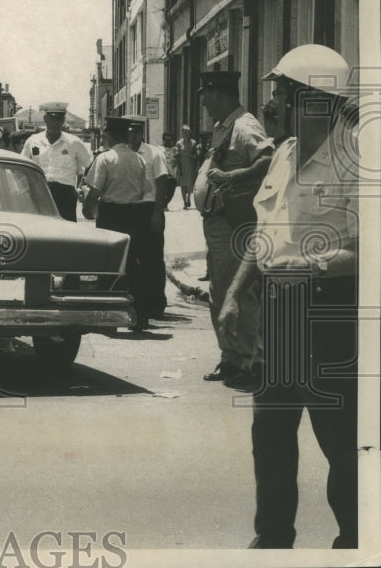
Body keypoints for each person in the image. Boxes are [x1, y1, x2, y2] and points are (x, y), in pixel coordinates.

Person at [219, 45, 358, 549]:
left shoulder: (358, 160)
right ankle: (273, 539)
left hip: (329, 310)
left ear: (316, 99)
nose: (272, 107)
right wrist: (235, 294)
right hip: (278, 313)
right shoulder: (282, 153)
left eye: (282, 96)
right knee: (270, 436)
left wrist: (313, 263)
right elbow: (263, 234)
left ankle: (358, 541)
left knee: (342, 442)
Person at [192, 71, 274, 387]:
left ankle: (247, 360)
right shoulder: (224, 126)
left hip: (231, 222)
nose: (202, 101)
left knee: (235, 293)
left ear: (220, 94)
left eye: (206, 94)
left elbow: (267, 159)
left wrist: (233, 178)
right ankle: (231, 357)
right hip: (216, 223)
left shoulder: (243, 125)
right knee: (219, 291)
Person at [81, 116, 151, 330]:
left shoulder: (105, 158)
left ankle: (108, 319)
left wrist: (87, 208)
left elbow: (95, 189)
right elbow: (144, 189)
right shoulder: (138, 159)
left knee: (109, 264)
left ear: (110, 136)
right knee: (132, 263)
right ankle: (140, 315)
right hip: (132, 213)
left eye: (104, 135)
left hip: (110, 213)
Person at [128, 118, 176, 321]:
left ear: (141, 133)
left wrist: (158, 212)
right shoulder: (121, 153)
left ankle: (156, 305)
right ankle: (136, 303)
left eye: (135, 131)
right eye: (128, 131)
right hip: (128, 210)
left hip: (149, 210)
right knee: (131, 259)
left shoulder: (154, 153)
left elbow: (164, 182)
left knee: (153, 260)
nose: (131, 135)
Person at [21, 102, 92, 222]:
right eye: (52, 119)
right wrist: (26, 188)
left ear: (63, 120)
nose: (56, 123)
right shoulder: (33, 141)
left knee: (65, 233)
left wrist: (80, 188)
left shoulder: (74, 142)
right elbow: (23, 165)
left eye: (60, 119)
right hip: (39, 192)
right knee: (39, 229)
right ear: (45, 119)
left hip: (65, 194)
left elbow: (90, 165)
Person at [173, 124, 200, 208]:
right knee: (182, 185)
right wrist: (178, 166)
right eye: (184, 132)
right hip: (182, 166)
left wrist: (192, 155)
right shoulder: (178, 143)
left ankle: (189, 197)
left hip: (191, 166)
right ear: (181, 133)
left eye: (187, 132)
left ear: (190, 133)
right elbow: (176, 155)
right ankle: (185, 202)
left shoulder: (193, 142)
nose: (186, 134)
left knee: (189, 184)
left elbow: (197, 155)